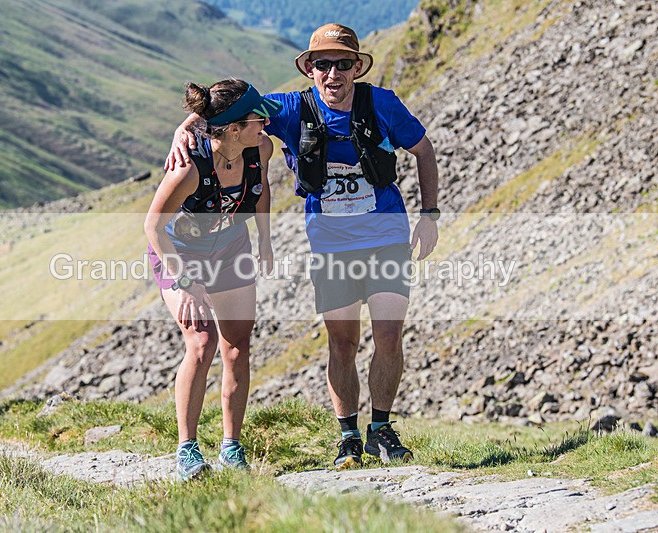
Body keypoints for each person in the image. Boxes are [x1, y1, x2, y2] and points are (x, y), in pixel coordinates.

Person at [165, 24, 439, 469]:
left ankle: (382, 429)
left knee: (389, 334)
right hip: (330, 244)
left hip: (387, 233)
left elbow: (424, 150)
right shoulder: (291, 109)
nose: (334, 74)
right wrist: (186, 126)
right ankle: (348, 435)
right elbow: (230, 108)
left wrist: (429, 216)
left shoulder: (382, 103)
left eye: (344, 64)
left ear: (357, 67)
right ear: (310, 69)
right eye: (323, 64)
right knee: (342, 343)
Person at [144, 79, 280, 480]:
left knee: (237, 347)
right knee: (201, 343)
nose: (266, 123)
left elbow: (263, 188)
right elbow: (152, 226)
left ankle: (231, 448)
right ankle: (187, 450)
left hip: (230, 247)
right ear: (234, 128)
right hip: (178, 254)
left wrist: (266, 239)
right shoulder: (188, 168)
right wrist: (185, 279)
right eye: (257, 119)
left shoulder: (261, 147)